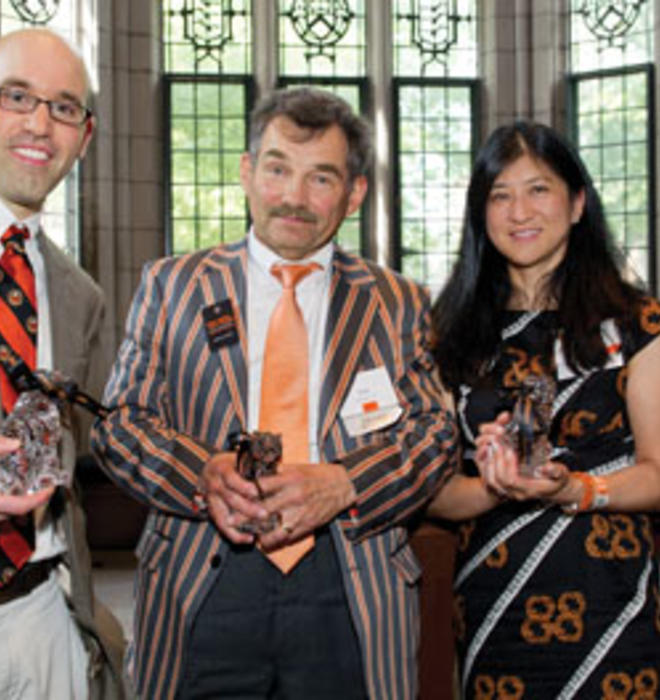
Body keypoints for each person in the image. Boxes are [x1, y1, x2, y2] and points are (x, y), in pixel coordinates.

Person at [90, 86, 457, 700]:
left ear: (354, 193)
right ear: (246, 171)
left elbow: (435, 437)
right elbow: (120, 423)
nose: (294, 197)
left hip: (349, 577)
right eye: (278, 168)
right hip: (201, 573)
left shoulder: (397, 301)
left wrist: (345, 483)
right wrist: (201, 475)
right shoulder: (172, 284)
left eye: (321, 178)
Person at [428, 121, 660, 698]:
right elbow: (432, 491)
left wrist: (573, 490)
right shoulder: (447, 334)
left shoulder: (638, 323)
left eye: (539, 189)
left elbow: (659, 473)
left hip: (612, 596)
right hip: (491, 596)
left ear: (577, 203)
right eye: (499, 195)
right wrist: (498, 486)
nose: (519, 212)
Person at [0, 27, 125, 700]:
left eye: (64, 107)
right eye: (16, 95)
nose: (39, 123)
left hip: (43, 610)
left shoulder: (80, 297)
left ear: (86, 136)